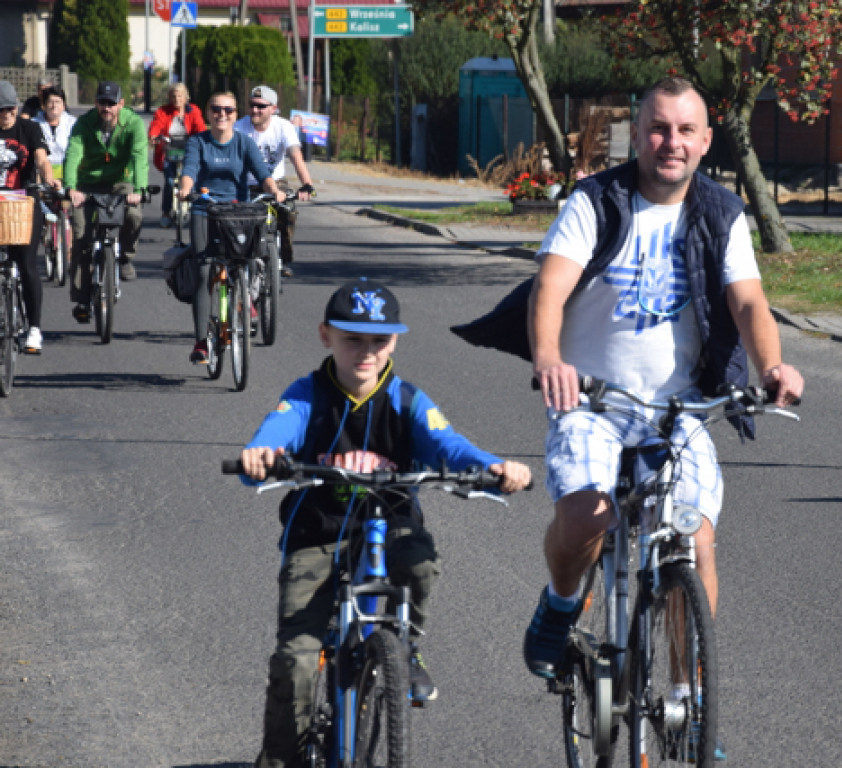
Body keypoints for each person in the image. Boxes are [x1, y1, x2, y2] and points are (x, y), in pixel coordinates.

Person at [521, 77, 805, 758]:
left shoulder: (721, 212)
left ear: (706, 141)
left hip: (679, 406)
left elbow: (749, 304)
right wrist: (550, 358)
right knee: (588, 516)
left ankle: (690, 692)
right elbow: (550, 287)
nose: (670, 142)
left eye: (685, 130)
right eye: (657, 128)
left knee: (694, 540)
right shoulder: (597, 201)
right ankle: (561, 607)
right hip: (592, 400)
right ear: (636, 134)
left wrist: (773, 368)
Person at [237, 278, 532, 768]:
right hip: (319, 536)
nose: (366, 352)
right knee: (297, 662)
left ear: (394, 342)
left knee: (418, 563)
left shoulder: (407, 400)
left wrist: (493, 467)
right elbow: (278, 430)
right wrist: (263, 455)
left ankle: (406, 645)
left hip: (390, 526)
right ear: (325, 336)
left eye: (379, 341)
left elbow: (448, 444)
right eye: (353, 339)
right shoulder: (308, 396)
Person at [177, 90, 285, 365]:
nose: (222, 114)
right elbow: (189, 169)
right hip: (205, 210)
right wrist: (185, 189)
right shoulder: (198, 142)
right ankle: (201, 340)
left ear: (236, 115)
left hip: (237, 213)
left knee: (244, 263)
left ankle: (243, 299)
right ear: (207, 112)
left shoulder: (244, 143)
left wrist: (274, 190)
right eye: (216, 109)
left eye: (228, 110)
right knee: (203, 272)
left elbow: (262, 173)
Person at [64, 81, 149, 321]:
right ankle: (81, 298)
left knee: (134, 215)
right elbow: (73, 153)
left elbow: (139, 157)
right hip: (87, 185)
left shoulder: (133, 124)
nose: (107, 108)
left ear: (121, 104)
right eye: (103, 102)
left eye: (112, 104)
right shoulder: (84, 123)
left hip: (120, 183)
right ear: (96, 103)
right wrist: (71, 187)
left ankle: (125, 258)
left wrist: (140, 189)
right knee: (81, 238)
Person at [0, 80, 57, 354]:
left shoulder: (29, 129)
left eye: (10, 109)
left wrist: (48, 177)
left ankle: (34, 328)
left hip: (22, 203)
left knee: (26, 263)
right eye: (1, 110)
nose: (6, 115)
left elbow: (42, 158)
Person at [235, 85, 315, 278]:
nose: (255, 110)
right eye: (252, 105)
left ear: (273, 108)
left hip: (276, 182)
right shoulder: (239, 127)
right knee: (235, 220)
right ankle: (237, 260)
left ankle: (284, 258)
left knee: (288, 212)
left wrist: (306, 183)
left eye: (261, 106)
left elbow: (296, 155)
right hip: (246, 184)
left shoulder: (283, 127)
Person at [147, 83, 206, 228]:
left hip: (188, 150)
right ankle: (166, 213)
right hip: (169, 150)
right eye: (173, 96)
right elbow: (156, 125)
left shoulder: (193, 111)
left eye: (180, 96)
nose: (176, 99)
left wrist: (203, 138)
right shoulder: (163, 111)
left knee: (191, 181)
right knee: (169, 182)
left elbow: (200, 127)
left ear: (186, 97)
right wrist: (154, 135)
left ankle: (195, 212)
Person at [31, 87, 76, 181]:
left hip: (68, 174)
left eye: (58, 102)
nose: (54, 105)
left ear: (64, 106)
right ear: (44, 105)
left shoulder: (74, 123)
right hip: (40, 175)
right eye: (50, 102)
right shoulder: (33, 124)